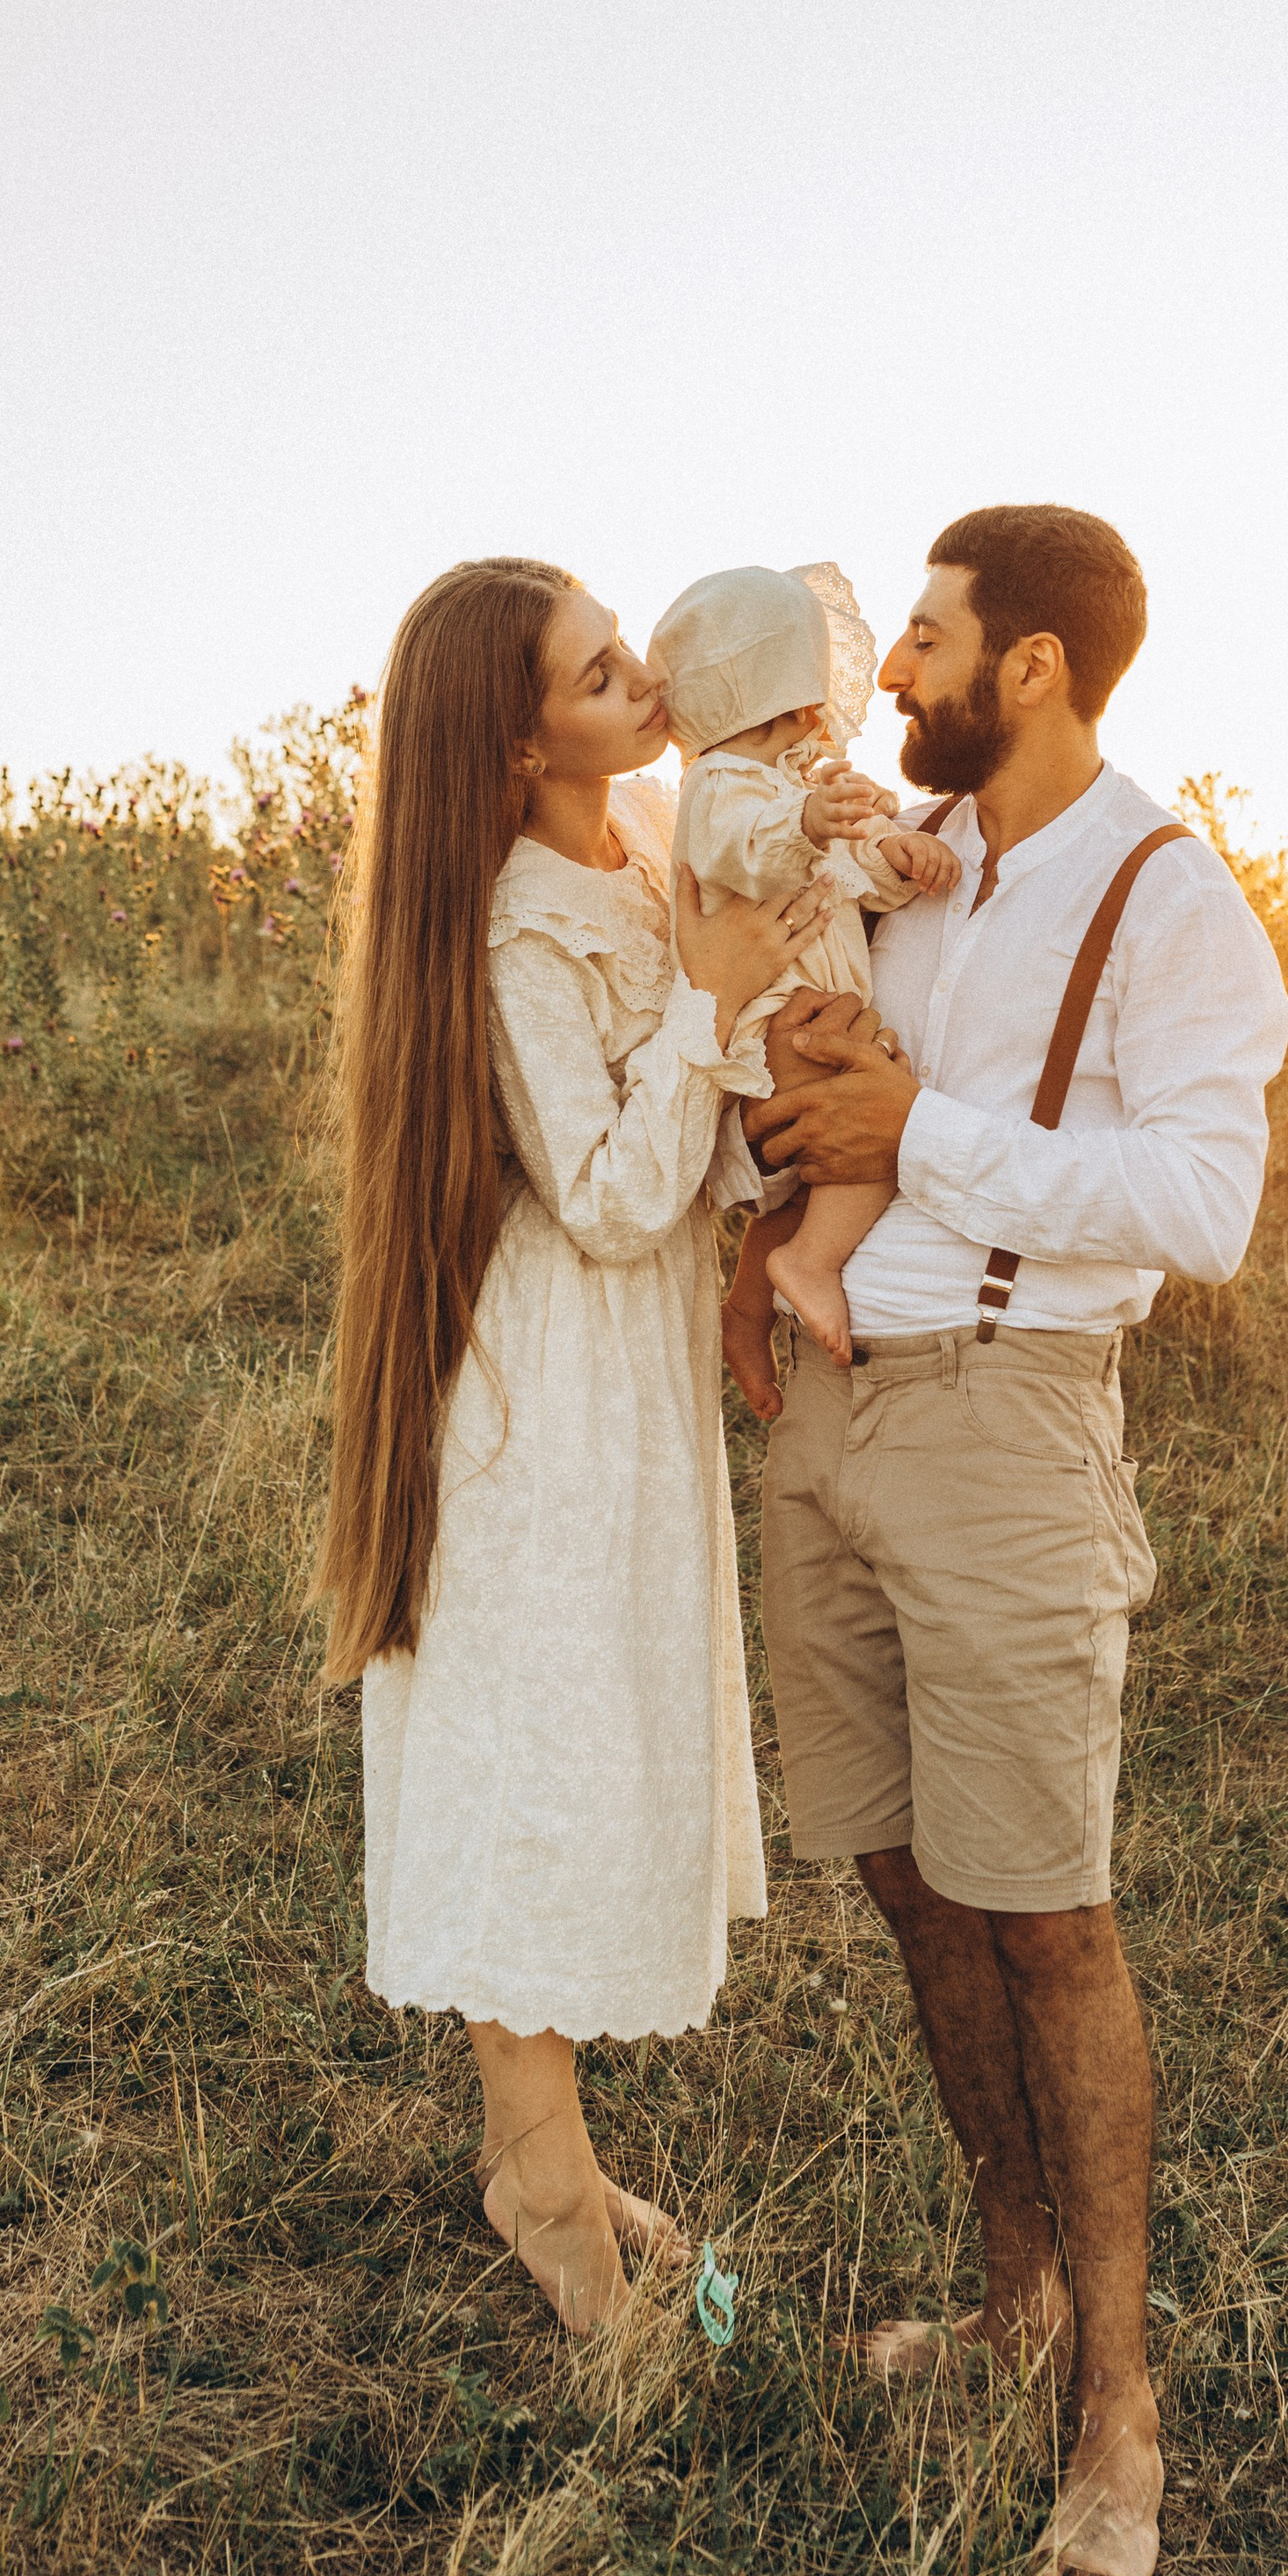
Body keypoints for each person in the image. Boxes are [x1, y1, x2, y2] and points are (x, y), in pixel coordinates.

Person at [738, 504, 1288, 2576]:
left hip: (1007, 1424)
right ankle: (1009, 2297)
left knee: (1044, 1912)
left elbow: (1198, 1202)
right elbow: (819, 1077)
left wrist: (922, 1143)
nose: (886, 677)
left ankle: (1115, 2417)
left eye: (922, 641)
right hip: (834, 1423)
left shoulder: (1166, 896)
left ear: (1035, 664)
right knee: (902, 1877)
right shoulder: (911, 867)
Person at [317, 557, 830, 2332]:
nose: (644, 680)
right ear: (519, 739)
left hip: (635, 1390)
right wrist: (705, 1005)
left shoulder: (652, 854)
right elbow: (612, 1195)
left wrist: (759, 1056)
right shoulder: (514, 922)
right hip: (544, 1381)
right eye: (597, 671)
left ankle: (554, 2145)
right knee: (531, 1736)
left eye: (626, 650)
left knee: (599, 1722)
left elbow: (711, 1130)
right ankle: (530, 2164)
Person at [647, 561, 961, 1371]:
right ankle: (808, 1265)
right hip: (772, 1019)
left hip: (811, 1009)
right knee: (866, 1146)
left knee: (831, 1166)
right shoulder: (718, 784)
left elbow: (848, 878)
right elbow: (749, 851)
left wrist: (895, 855)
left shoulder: (791, 784)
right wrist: (810, 821)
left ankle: (760, 1286)